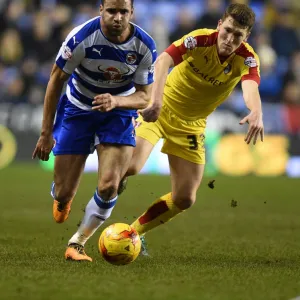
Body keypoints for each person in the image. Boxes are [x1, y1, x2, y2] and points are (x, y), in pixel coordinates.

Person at [68, 3, 264, 261]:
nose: (230, 39)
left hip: (192, 125)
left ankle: (134, 233)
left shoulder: (247, 58)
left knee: (185, 198)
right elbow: (163, 60)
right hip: (159, 110)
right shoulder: (199, 39)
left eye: (238, 35)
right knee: (131, 166)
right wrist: (156, 100)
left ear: (246, 37)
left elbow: (251, 87)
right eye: (227, 30)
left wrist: (256, 111)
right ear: (219, 25)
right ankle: (80, 235)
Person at [32, 0, 157, 262]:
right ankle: (62, 197)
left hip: (118, 113)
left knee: (110, 184)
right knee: (65, 190)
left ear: (131, 13)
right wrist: (46, 133)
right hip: (78, 110)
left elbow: (145, 97)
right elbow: (56, 79)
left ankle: (77, 243)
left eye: (124, 12)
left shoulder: (144, 46)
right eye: (112, 11)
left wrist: (117, 101)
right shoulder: (81, 38)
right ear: (101, 10)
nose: (118, 17)